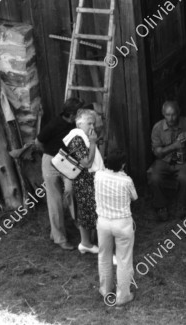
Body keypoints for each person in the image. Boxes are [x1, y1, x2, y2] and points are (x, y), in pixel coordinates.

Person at [35, 98, 84, 250]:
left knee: (71, 191)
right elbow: (38, 142)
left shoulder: (77, 124)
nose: (81, 114)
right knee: (54, 200)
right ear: (71, 114)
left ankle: (78, 226)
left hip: (69, 163)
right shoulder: (54, 124)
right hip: (51, 162)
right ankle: (59, 237)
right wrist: (50, 154)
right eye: (78, 112)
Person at [95, 149, 137, 306]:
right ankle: (123, 296)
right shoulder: (126, 181)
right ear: (123, 165)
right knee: (124, 259)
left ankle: (105, 289)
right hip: (122, 223)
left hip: (103, 222)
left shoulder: (98, 175)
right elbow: (134, 197)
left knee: (104, 256)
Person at [149, 101, 186, 221]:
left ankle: (181, 205)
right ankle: (161, 207)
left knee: (184, 178)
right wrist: (174, 146)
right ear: (163, 114)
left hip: (183, 160)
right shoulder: (157, 128)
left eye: (173, 114)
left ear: (178, 113)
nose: (171, 118)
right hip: (164, 161)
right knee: (154, 178)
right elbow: (157, 152)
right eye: (167, 115)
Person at [63, 109, 105, 254]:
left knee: (89, 213)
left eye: (93, 124)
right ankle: (93, 244)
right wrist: (93, 143)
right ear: (79, 123)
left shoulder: (83, 137)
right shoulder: (76, 138)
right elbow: (86, 163)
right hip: (84, 181)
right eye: (89, 124)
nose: (92, 127)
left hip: (89, 180)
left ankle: (87, 243)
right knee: (92, 213)